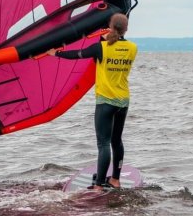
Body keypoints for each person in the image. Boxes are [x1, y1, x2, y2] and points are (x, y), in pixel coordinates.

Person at [48, 13, 137, 189]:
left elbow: (78, 54)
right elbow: (116, 46)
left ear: (110, 27)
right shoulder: (133, 48)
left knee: (103, 144)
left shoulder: (101, 48)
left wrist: (56, 53)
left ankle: (98, 185)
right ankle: (115, 179)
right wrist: (106, 39)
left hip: (105, 101)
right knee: (116, 141)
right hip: (123, 101)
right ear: (126, 29)